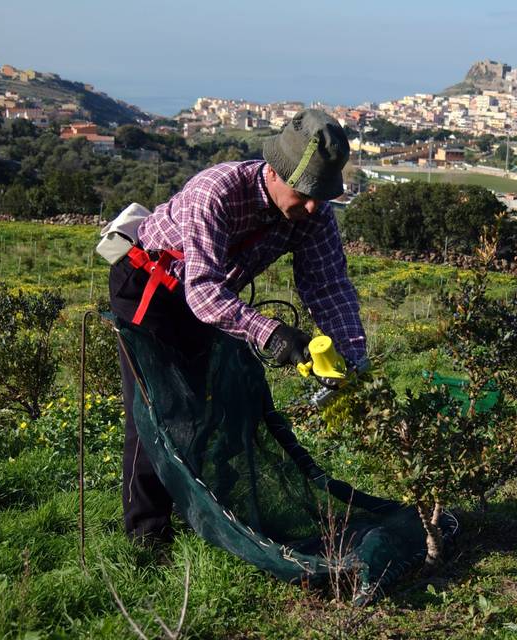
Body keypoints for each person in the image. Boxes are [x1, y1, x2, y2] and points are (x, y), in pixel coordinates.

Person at [108, 109, 366, 547]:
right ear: (275, 172)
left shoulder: (314, 215)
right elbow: (203, 289)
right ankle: (146, 535)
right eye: (305, 194)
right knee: (157, 410)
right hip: (151, 289)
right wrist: (271, 332)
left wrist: (353, 357)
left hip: (210, 297)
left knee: (216, 406)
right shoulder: (218, 191)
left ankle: (207, 512)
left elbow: (328, 285)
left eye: (321, 196)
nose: (311, 206)